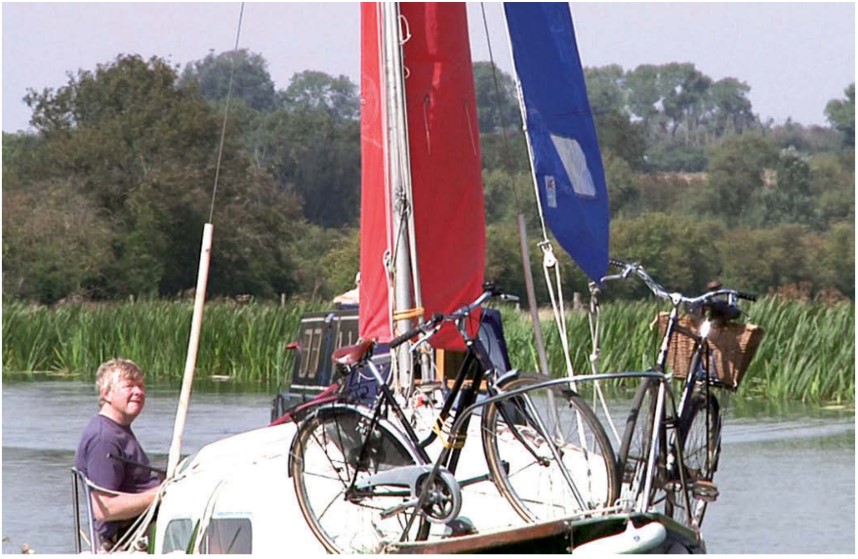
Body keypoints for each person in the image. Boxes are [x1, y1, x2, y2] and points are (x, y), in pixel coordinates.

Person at [74, 358, 162, 550]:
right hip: (124, 543)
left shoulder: (119, 430)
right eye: (129, 386)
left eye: (141, 386)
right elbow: (104, 509)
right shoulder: (103, 438)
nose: (138, 392)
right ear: (106, 394)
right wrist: (161, 495)